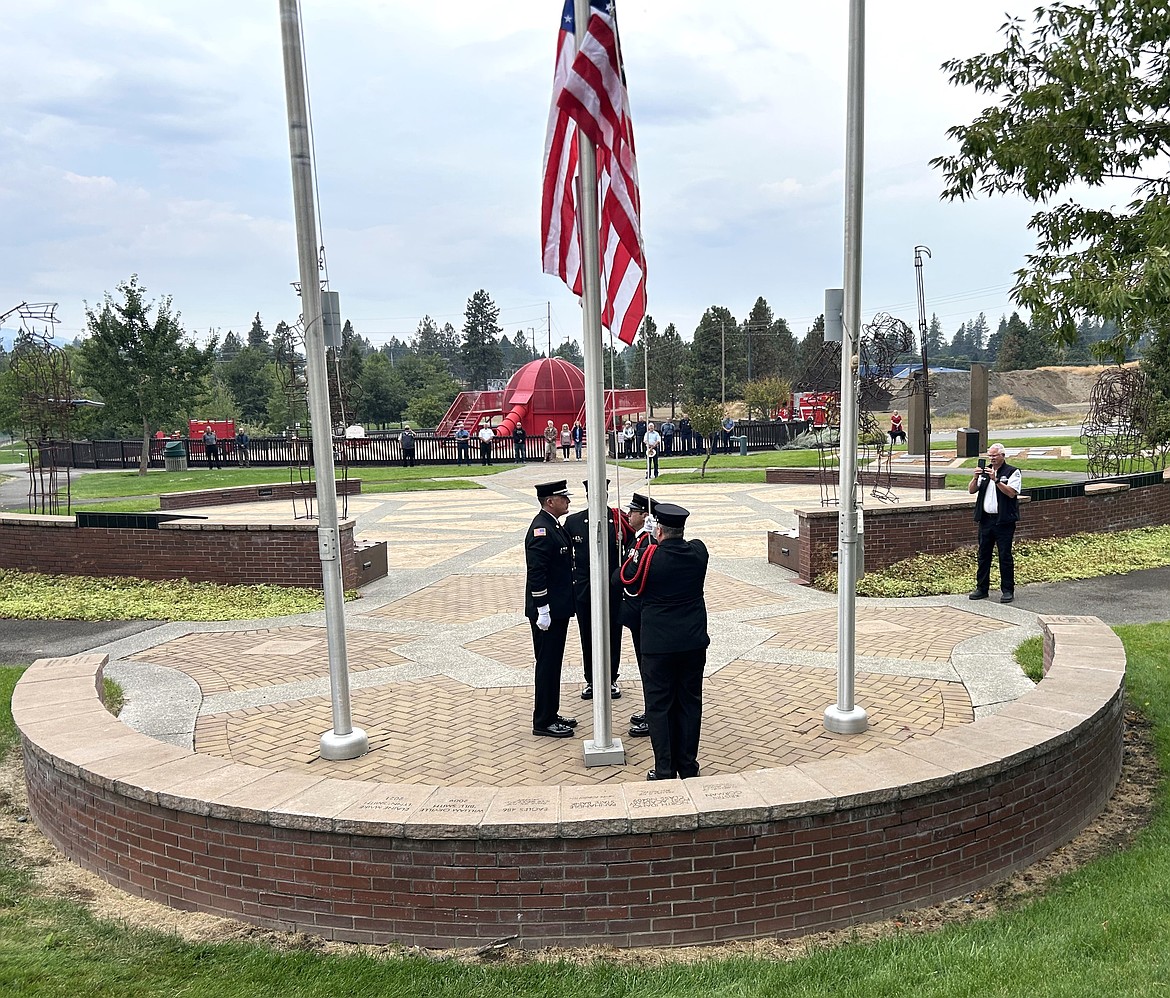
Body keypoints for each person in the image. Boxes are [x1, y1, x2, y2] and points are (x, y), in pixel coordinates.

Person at [620, 503, 709, 780]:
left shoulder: (650, 558)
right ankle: (688, 765)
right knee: (689, 703)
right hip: (692, 642)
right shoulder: (698, 552)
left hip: (659, 645)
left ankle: (665, 768)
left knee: (659, 706)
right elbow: (689, 544)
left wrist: (638, 547)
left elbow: (623, 580)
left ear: (658, 530)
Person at [565, 479, 631, 703]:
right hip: (584, 590)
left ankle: (611, 677)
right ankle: (591, 679)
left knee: (613, 632)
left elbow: (631, 551)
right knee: (588, 634)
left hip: (613, 588)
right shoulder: (573, 522)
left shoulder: (619, 520)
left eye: (601, 493)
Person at [525, 480, 578, 738]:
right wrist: (542, 608)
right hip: (548, 611)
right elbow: (538, 573)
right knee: (547, 663)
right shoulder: (541, 530)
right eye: (563, 498)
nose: (567, 501)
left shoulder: (553, 525)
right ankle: (543, 721)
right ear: (550, 501)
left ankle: (551, 712)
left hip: (557, 608)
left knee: (553, 663)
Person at [616, 492, 658, 738]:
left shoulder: (647, 542)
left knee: (650, 668)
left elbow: (630, 575)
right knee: (645, 667)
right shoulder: (638, 539)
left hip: (643, 615)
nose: (628, 515)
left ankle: (654, 714)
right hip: (636, 616)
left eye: (633, 511)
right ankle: (650, 709)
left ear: (645, 516)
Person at [968, 443, 1022, 604]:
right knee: (983, 555)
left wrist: (996, 480)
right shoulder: (984, 473)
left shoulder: (1013, 472)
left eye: (995, 455)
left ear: (1003, 456)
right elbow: (971, 490)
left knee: (1004, 556)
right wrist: (976, 477)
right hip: (986, 521)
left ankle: (1007, 590)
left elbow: (1011, 493)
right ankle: (981, 588)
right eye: (989, 456)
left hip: (1004, 521)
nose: (991, 458)